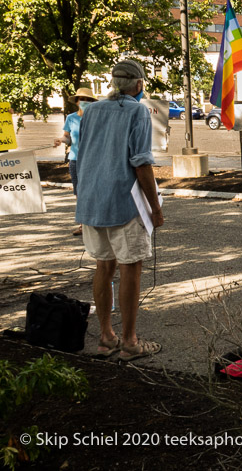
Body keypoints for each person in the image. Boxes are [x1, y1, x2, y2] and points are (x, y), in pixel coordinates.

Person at [75, 59, 164, 361]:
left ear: (113, 84)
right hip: (123, 203)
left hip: (92, 201)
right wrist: (155, 208)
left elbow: (81, 155)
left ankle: (105, 337)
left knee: (103, 266)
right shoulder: (138, 111)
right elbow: (141, 163)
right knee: (130, 268)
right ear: (138, 85)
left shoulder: (91, 110)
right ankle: (129, 341)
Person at [54, 87, 97, 236]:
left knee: (93, 191)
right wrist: (60, 140)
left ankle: (95, 223)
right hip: (75, 160)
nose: (85, 102)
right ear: (77, 101)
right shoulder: (71, 118)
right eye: (82, 99)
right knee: (79, 193)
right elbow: (67, 137)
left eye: (89, 100)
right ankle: (82, 225)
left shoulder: (97, 118)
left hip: (93, 160)